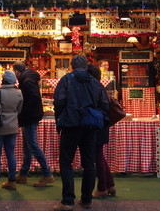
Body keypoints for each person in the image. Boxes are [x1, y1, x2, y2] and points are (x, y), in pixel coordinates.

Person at [53, 55, 109, 211]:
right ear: (86, 66)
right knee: (89, 163)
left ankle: (68, 201)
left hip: (70, 125)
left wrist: (60, 120)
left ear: (71, 66)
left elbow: (58, 101)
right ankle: (87, 200)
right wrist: (96, 117)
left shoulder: (66, 80)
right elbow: (104, 104)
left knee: (66, 162)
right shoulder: (95, 82)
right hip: (89, 127)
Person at [12, 61, 55, 187]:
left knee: (33, 146)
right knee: (27, 147)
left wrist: (23, 110)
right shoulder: (28, 78)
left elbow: (34, 99)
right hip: (29, 117)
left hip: (30, 117)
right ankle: (23, 174)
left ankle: (47, 174)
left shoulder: (27, 81)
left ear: (17, 71)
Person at [0, 70, 23, 192]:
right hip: (12, 127)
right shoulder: (19, 93)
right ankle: (12, 182)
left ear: (3, 80)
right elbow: (19, 110)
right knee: (10, 154)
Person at [87, 64, 116, 199]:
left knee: (96, 156)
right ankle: (110, 185)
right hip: (102, 124)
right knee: (99, 155)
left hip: (96, 124)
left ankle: (102, 188)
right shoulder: (100, 87)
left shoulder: (92, 88)